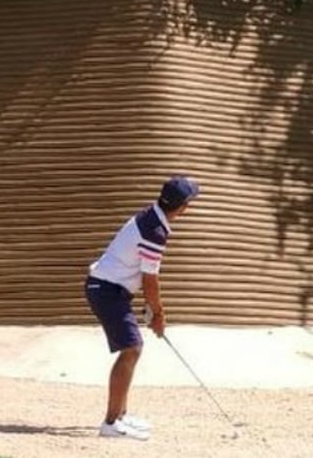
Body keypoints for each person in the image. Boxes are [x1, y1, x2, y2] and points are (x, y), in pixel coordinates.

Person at [84, 175, 200, 440]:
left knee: (132, 348)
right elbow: (150, 279)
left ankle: (121, 416)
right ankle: (111, 423)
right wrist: (158, 314)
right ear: (183, 207)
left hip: (109, 289)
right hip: (105, 290)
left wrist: (152, 309)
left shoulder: (152, 217)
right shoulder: (154, 232)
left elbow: (143, 275)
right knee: (131, 349)